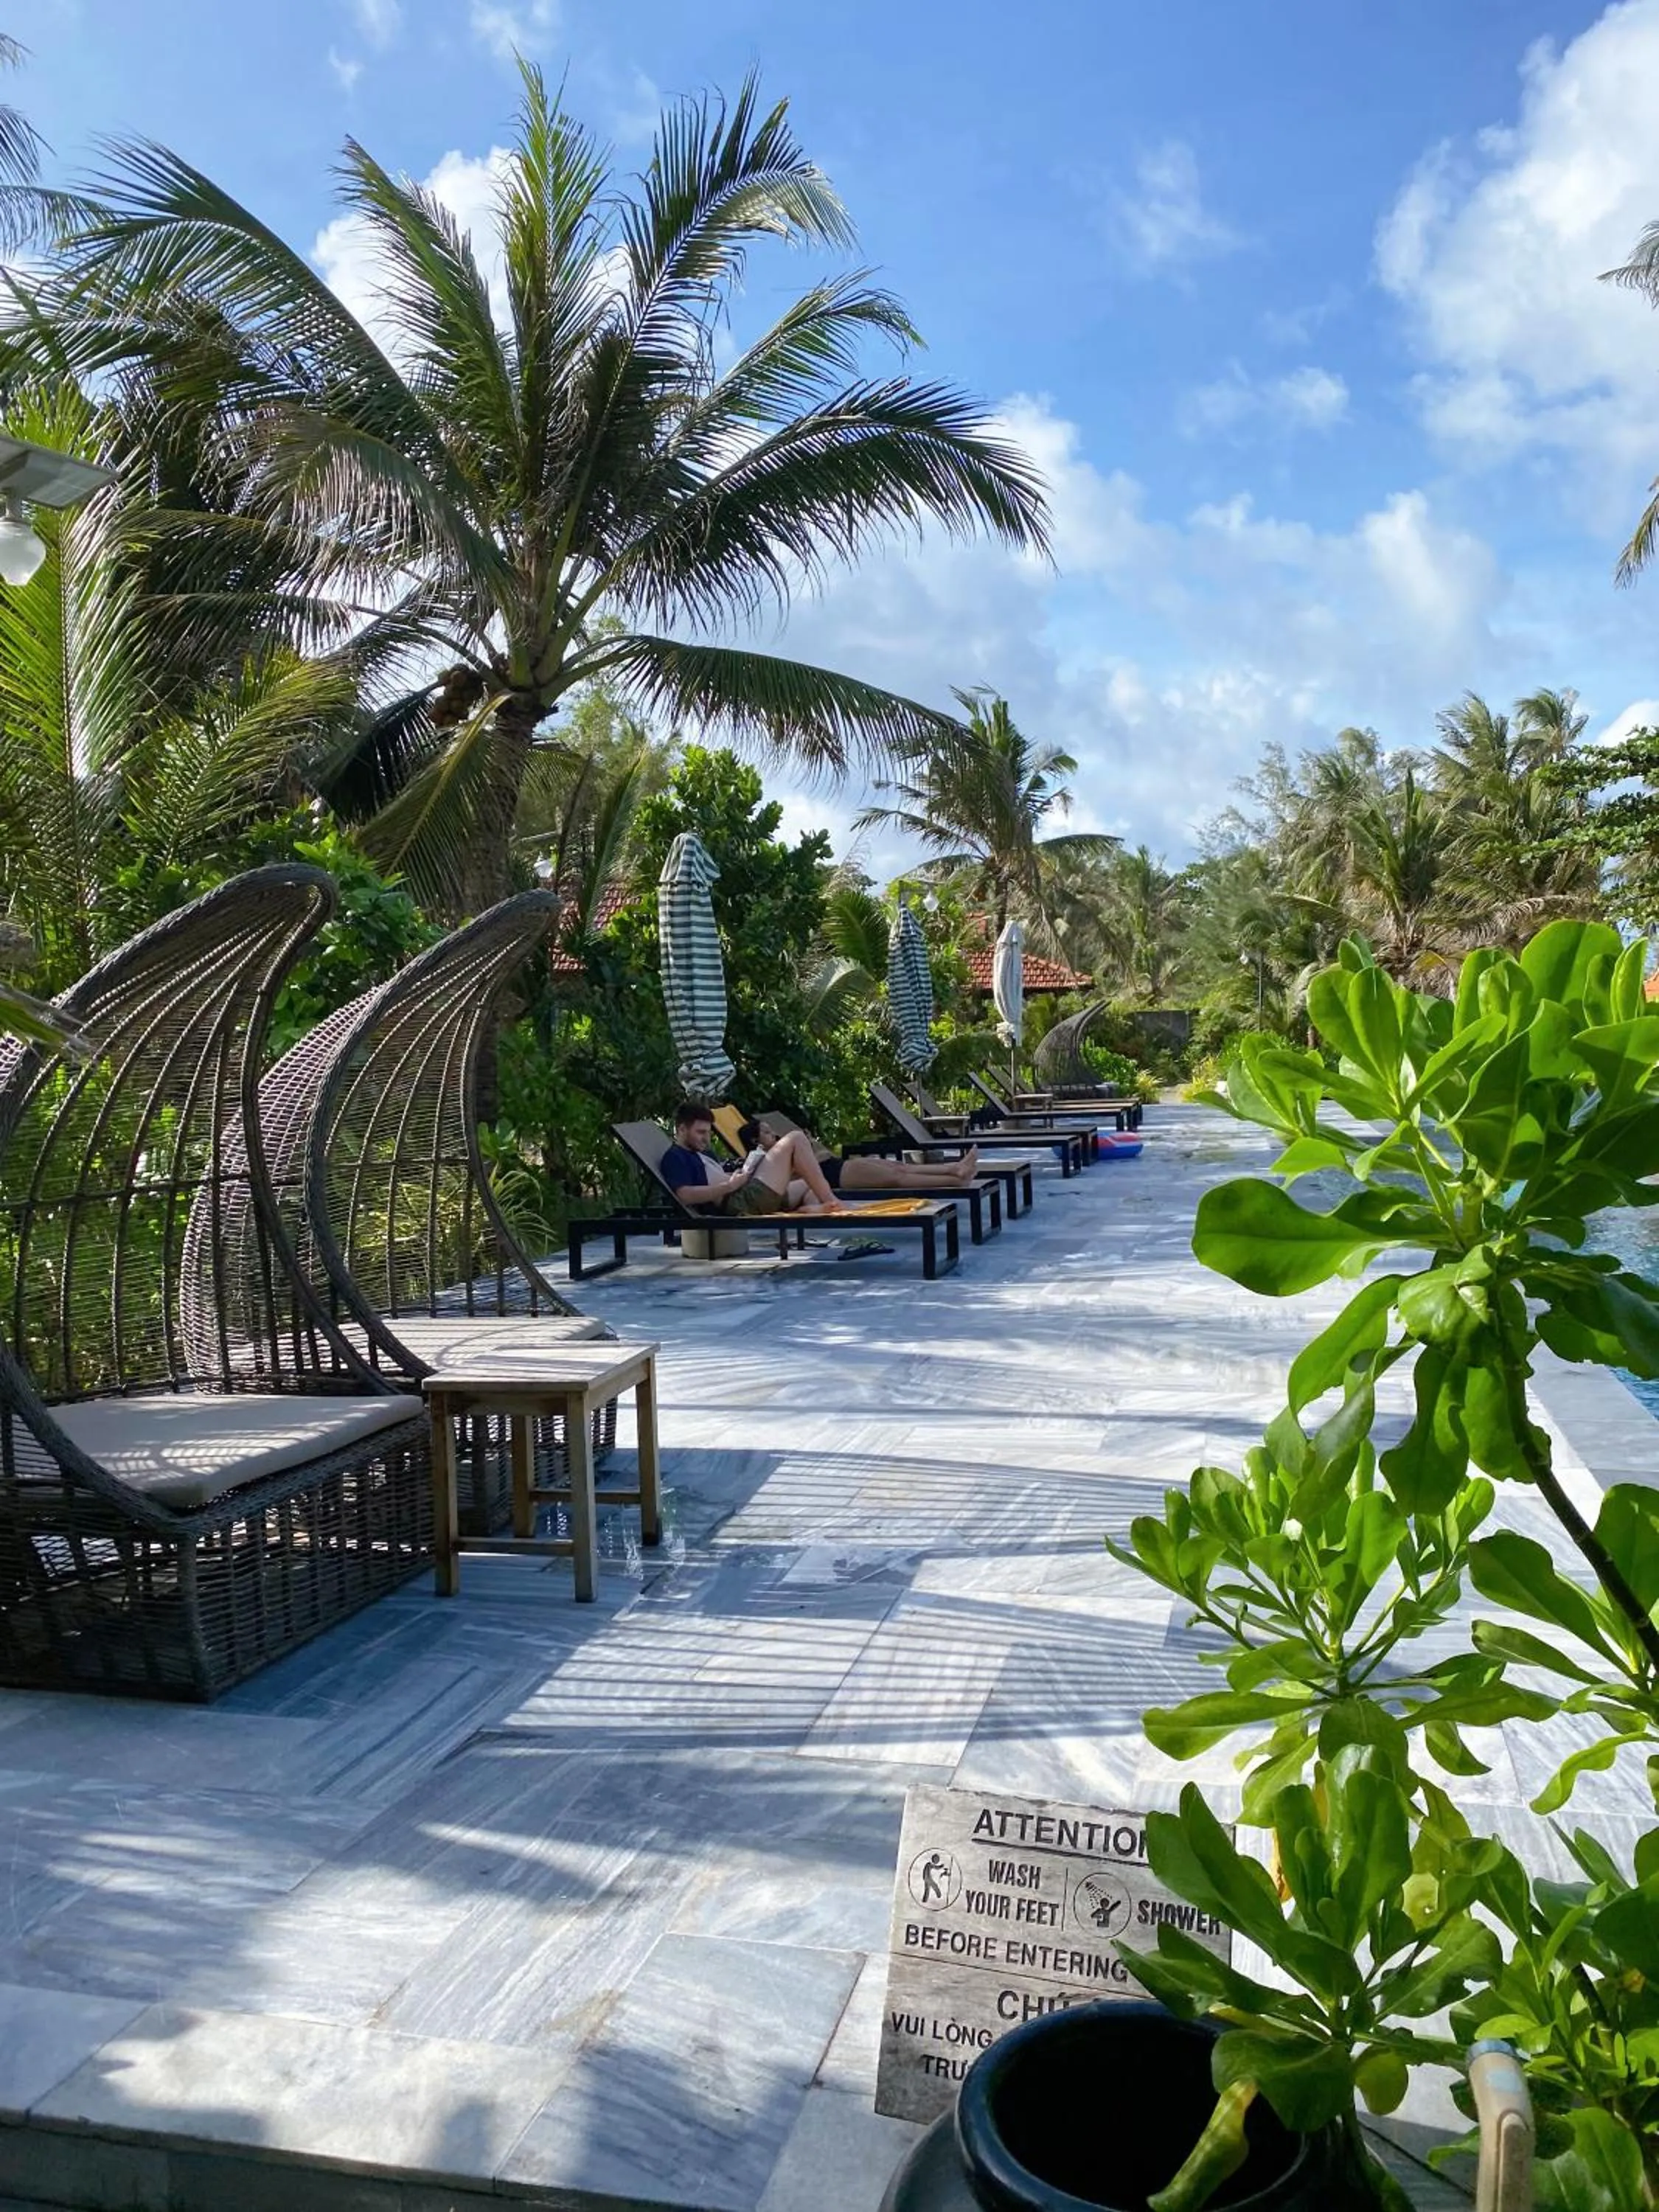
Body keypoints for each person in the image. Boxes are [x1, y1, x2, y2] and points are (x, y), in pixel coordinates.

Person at [661, 1102, 839, 1215]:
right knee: (796, 1138)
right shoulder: (675, 1157)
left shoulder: (702, 1152)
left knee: (811, 1180)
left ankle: (813, 1209)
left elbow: (715, 1176)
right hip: (740, 1201)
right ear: (682, 1129)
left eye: (708, 1132)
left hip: (748, 1192)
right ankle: (833, 1203)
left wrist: (739, 1174)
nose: (706, 1138)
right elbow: (685, 1196)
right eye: (701, 1132)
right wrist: (730, 1186)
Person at [740, 1116, 981, 1197]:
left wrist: (813, 1147)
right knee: (898, 1177)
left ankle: (955, 1169)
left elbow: (820, 1157)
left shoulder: (777, 1154)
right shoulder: (767, 1160)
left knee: (899, 1168)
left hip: (842, 1167)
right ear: (755, 1140)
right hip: (840, 1176)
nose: (773, 1133)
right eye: (766, 1131)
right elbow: (796, 1178)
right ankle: (954, 1178)